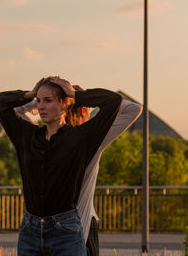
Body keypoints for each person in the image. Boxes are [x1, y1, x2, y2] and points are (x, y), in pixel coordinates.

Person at [0, 76, 122, 256]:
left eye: (48, 100)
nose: (40, 106)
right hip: (30, 230)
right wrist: (28, 94)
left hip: (66, 232)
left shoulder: (81, 138)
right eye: (39, 101)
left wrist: (75, 94)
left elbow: (113, 101)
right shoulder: (26, 136)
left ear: (64, 104)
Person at [15, 85, 142, 255]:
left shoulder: (40, 139)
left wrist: (36, 99)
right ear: (83, 110)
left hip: (45, 231)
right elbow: (133, 109)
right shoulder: (92, 141)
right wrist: (82, 96)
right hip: (80, 230)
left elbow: (17, 111)